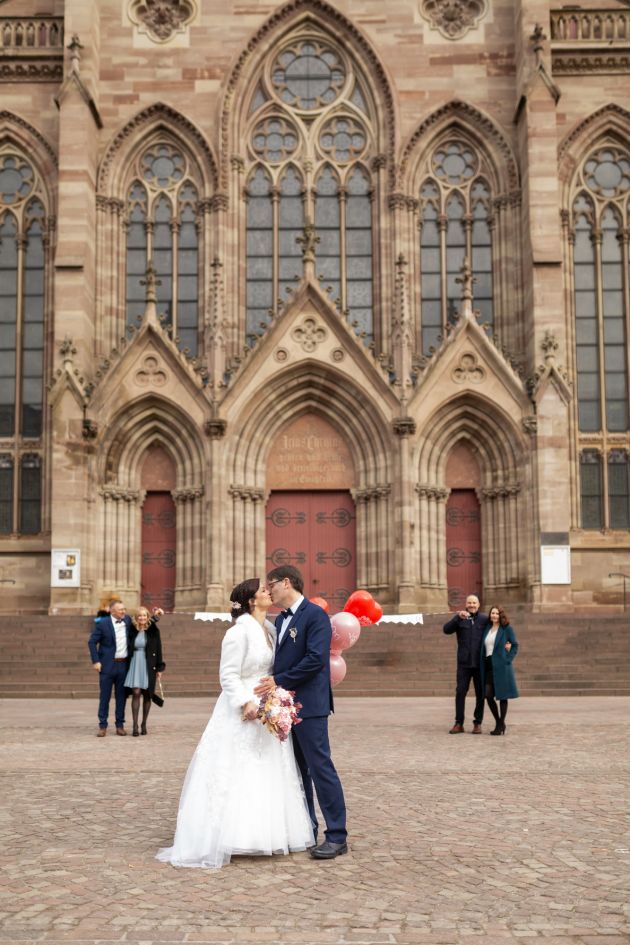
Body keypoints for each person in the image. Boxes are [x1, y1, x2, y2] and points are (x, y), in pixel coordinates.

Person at [156, 578, 314, 869]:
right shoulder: (237, 633)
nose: (270, 592)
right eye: (264, 591)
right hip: (243, 709)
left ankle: (263, 833)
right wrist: (246, 702)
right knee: (237, 767)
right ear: (252, 601)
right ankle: (231, 834)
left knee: (266, 767)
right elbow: (228, 674)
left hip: (266, 706)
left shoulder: (269, 629)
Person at [254, 565, 348, 860]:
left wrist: (278, 681)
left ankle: (337, 835)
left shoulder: (315, 615)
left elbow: (315, 659)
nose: (268, 591)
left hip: (310, 705)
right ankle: (308, 827)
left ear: (286, 582)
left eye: (271, 585)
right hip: (286, 707)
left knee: (320, 768)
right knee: (297, 772)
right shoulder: (281, 620)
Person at [443, 594, 488, 734]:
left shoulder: (484, 619)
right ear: (466, 604)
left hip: (480, 663)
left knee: (481, 694)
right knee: (460, 692)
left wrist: (508, 642)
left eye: (474, 603)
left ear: (478, 604)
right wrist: (457, 618)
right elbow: (446, 630)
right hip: (464, 663)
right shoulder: (460, 618)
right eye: (469, 603)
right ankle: (459, 723)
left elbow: (497, 631)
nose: (472, 605)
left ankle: (477, 723)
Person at [88, 599, 133, 737]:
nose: (124, 612)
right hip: (107, 665)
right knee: (105, 696)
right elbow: (92, 642)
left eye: (124, 609)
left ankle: (120, 725)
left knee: (121, 697)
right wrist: (96, 661)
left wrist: (156, 616)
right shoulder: (103, 624)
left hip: (124, 665)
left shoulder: (128, 621)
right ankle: (103, 726)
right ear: (112, 611)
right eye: (121, 610)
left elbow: (145, 624)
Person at [124, 606, 165, 736]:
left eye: (144, 616)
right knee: (136, 692)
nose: (142, 618)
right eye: (139, 616)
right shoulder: (132, 629)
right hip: (135, 663)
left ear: (147, 617)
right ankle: (135, 725)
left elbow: (159, 649)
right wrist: (155, 616)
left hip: (149, 664)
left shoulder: (153, 630)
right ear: (136, 618)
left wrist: (159, 668)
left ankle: (144, 724)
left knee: (147, 694)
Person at [480, 606, 519, 735]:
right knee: (488, 695)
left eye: (496, 613)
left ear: (500, 615)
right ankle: (499, 722)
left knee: (502, 696)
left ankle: (500, 723)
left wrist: (508, 659)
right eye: (492, 613)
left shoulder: (506, 629)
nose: (494, 615)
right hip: (488, 665)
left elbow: (515, 645)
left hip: (501, 665)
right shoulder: (487, 628)